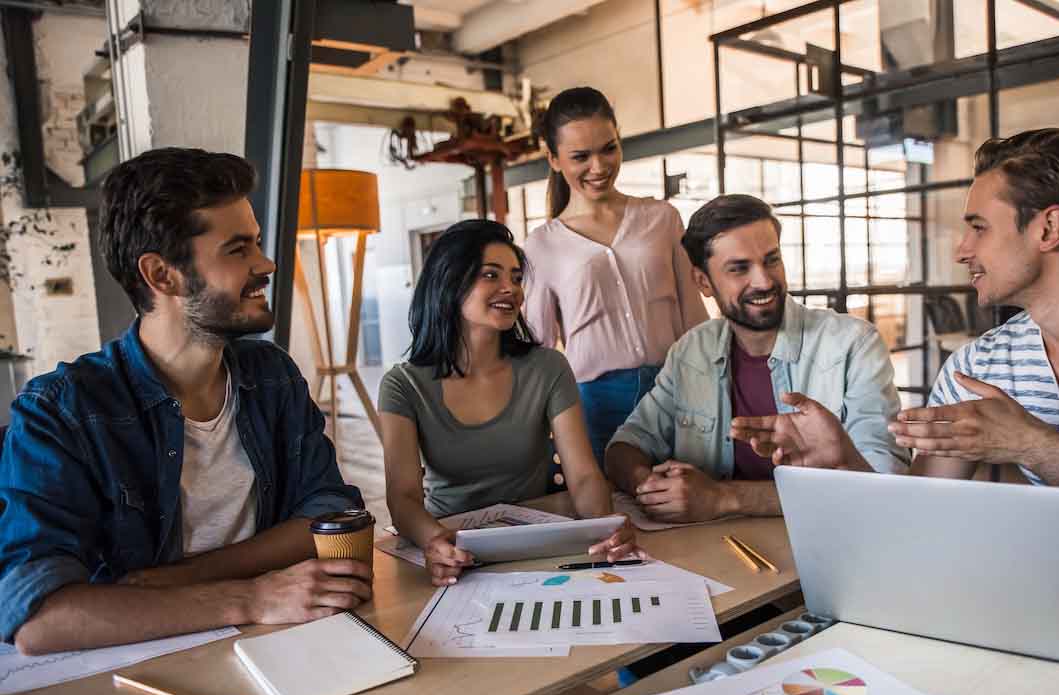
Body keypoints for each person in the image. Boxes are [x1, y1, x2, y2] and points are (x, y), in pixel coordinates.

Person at [731, 128, 1059, 585]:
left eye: (978, 228)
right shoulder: (980, 364)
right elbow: (916, 523)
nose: (962, 250)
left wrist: (1037, 447)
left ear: (1049, 228)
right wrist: (844, 464)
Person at [0, 148, 371, 655]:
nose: (266, 264)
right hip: (138, 665)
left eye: (257, 243)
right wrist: (250, 596)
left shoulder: (271, 376)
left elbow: (328, 512)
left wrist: (180, 579)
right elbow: (41, 618)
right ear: (162, 275)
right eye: (238, 249)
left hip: (279, 641)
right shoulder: (60, 411)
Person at [605, 194, 909, 524]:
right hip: (716, 548)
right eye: (739, 269)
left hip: (831, 536)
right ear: (703, 282)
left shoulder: (852, 344)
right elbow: (624, 446)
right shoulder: (691, 352)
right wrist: (650, 487)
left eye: (772, 260)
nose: (764, 281)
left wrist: (724, 498)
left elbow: (884, 478)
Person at [379, 220, 638, 587]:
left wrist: (604, 527)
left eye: (516, 278)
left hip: (540, 539)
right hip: (453, 545)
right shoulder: (403, 385)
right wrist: (434, 542)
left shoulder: (548, 367)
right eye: (491, 275)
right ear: (450, 282)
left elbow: (583, 475)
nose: (511, 290)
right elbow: (403, 496)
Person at [523, 87, 709, 464]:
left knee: (688, 506)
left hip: (676, 390)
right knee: (614, 515)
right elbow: (538, 350)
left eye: (608, 148)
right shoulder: (542, 245)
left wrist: (712, 385)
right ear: (554, 160)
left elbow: (694, 315)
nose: (599, 166)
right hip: (595, 405)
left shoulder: (662, 218)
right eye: (581, 156)